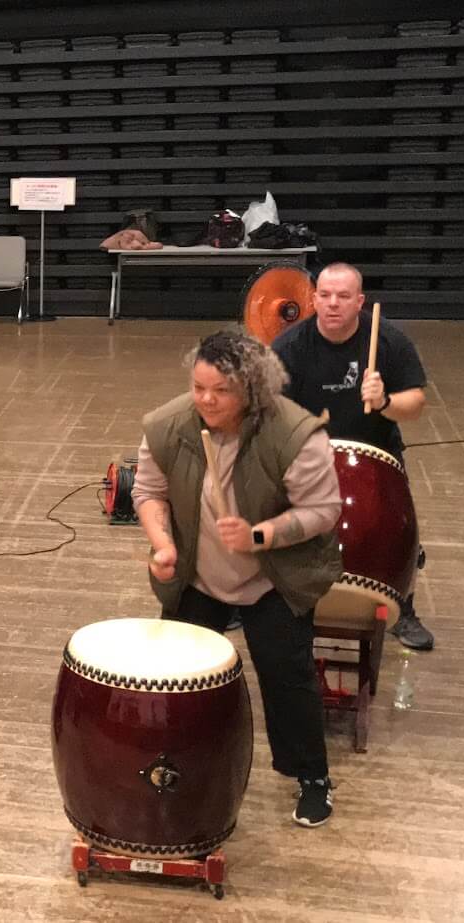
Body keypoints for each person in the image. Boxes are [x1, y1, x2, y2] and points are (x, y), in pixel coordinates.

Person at [133, 330, 342, 827]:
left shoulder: (294, 433)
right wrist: (163, 545)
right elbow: (148, 490)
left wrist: (260, 535)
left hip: (274, 577)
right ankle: (180, 767)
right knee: (180, 676)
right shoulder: (167, 425)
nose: (205, 400)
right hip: (200, 574)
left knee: (285, 674)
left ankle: (312, 777)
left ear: (251, 389)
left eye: (220, 391)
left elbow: (323, 510)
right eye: (198, 387)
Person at [272, 262, 433, 650]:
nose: (333, 304)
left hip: (375, 450)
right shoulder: (289, 347)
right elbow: (270, 412)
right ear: (313, 299)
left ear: (359, 301)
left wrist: (385, 402)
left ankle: (402, 604)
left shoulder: (388, 340)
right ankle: (256, 596)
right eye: (325, 295)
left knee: (394, 525)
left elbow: (416, 403)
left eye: (343, 296)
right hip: (310, 454)